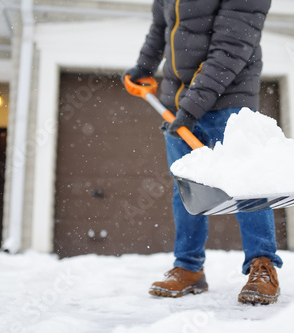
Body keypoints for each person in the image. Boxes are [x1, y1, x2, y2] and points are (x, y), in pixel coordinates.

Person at [122, 0, 282, 305]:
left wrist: (192, 106)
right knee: (186, 188)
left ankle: (263, 265)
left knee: (247, 182)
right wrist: (144, 66)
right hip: (178, 101)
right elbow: (161, 27)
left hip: (229, 97)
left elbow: (232, 47)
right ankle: (188, 266)